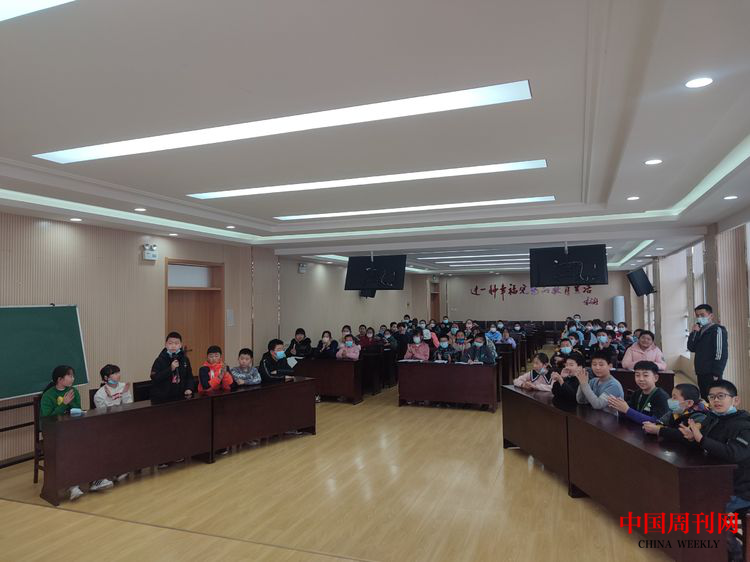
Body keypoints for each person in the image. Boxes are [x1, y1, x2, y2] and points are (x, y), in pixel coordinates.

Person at [676, 380, 750, 514]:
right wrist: (692, 438)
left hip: (740, 488)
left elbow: (733, 454)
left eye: (721, 396)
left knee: (706, 508)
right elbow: (706, 446)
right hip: (715, 478)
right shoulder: (712, 417)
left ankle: (728, 529)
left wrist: (701, 439)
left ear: (735, 400)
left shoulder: (745, 425)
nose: (716, 400)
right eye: (711, 397)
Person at [41, 366, 113, 500]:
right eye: (70, 376)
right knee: (71, 448)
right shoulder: (48, 396)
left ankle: (96, 479)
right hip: (54, 433)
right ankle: (72, 485)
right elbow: (47, 420)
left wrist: (71, 404)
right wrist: (63, 404)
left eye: (73, 375)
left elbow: (77, 410)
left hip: (72, 429)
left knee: (93, 442)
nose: (73, 378)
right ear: (60, 379)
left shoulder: (73, 391)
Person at [687, 304, 729, 399]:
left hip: (712, 373)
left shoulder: (717, 330)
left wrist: (716, 373)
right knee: (705, 397)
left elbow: (720, 353)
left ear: (711, 316)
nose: (699, 318)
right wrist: (694, 333)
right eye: (697, 316)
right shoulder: (700, 331)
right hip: (701, 371)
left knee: (714, 397)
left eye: (702, 315)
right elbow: (691, 348)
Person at [641, 383, 709, 441]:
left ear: (689, 403)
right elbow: (660, 423)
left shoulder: (699, 416)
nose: (670, 400)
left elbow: (686, 434)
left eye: (674, 398)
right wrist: (652, 427)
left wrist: (659, 430)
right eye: (671, 397)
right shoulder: (674, 412)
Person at [150, 331, 194, 402]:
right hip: (163, 398)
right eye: (170, 343)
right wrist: (170, 369)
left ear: (180, 345)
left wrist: (189, 388)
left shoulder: (185, 359)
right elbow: (154, 377)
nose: (173, 346)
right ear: (166, 345)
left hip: (181, 396)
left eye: (176, 343)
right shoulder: (159, 360)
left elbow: (189, 376)